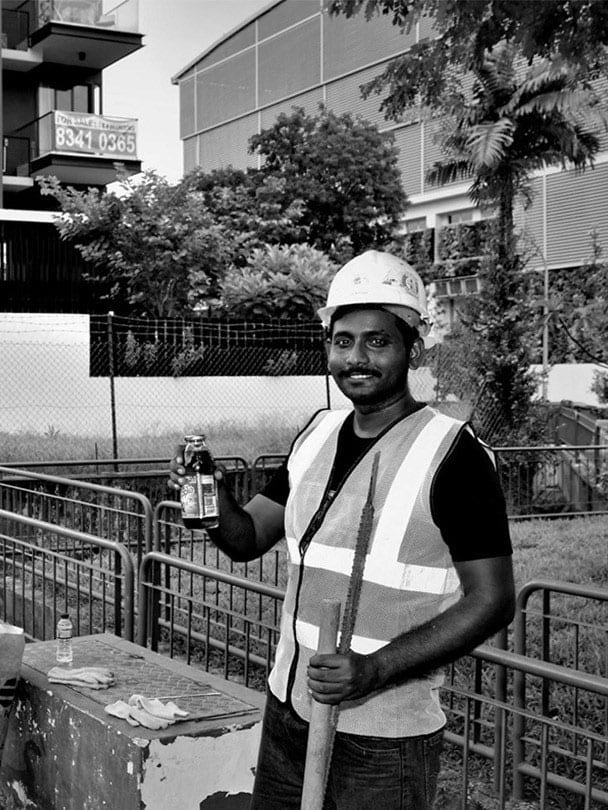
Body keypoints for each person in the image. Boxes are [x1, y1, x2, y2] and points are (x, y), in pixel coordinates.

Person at [170, 250, 515, 809]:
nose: (356, 356)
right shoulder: (317, 433)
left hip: (384, 737)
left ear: (412, 348)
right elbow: (247, 538)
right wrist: (211, 497)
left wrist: (375, 669)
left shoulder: (454, 454)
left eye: (377, 341)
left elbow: (494, 601)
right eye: (343, 340)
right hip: (290, 709)